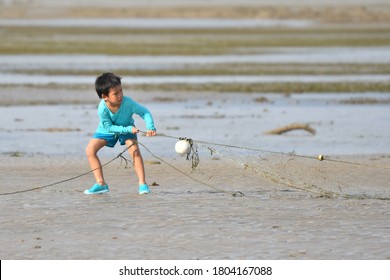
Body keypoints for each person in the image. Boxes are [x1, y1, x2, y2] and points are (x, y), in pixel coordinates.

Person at [84, 73, 156, 195]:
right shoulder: (102, 108)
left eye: (121, 91)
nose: (120, 95)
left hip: (127, 127)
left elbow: (145, 112)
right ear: (105, 97)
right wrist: (128, 129)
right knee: (90, 150)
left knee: (135, 151)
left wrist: (150, 127)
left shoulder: (128, 103)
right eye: (115, 93)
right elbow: (109, 127)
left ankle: (142, 184)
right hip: (108, 130)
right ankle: (101, 183)